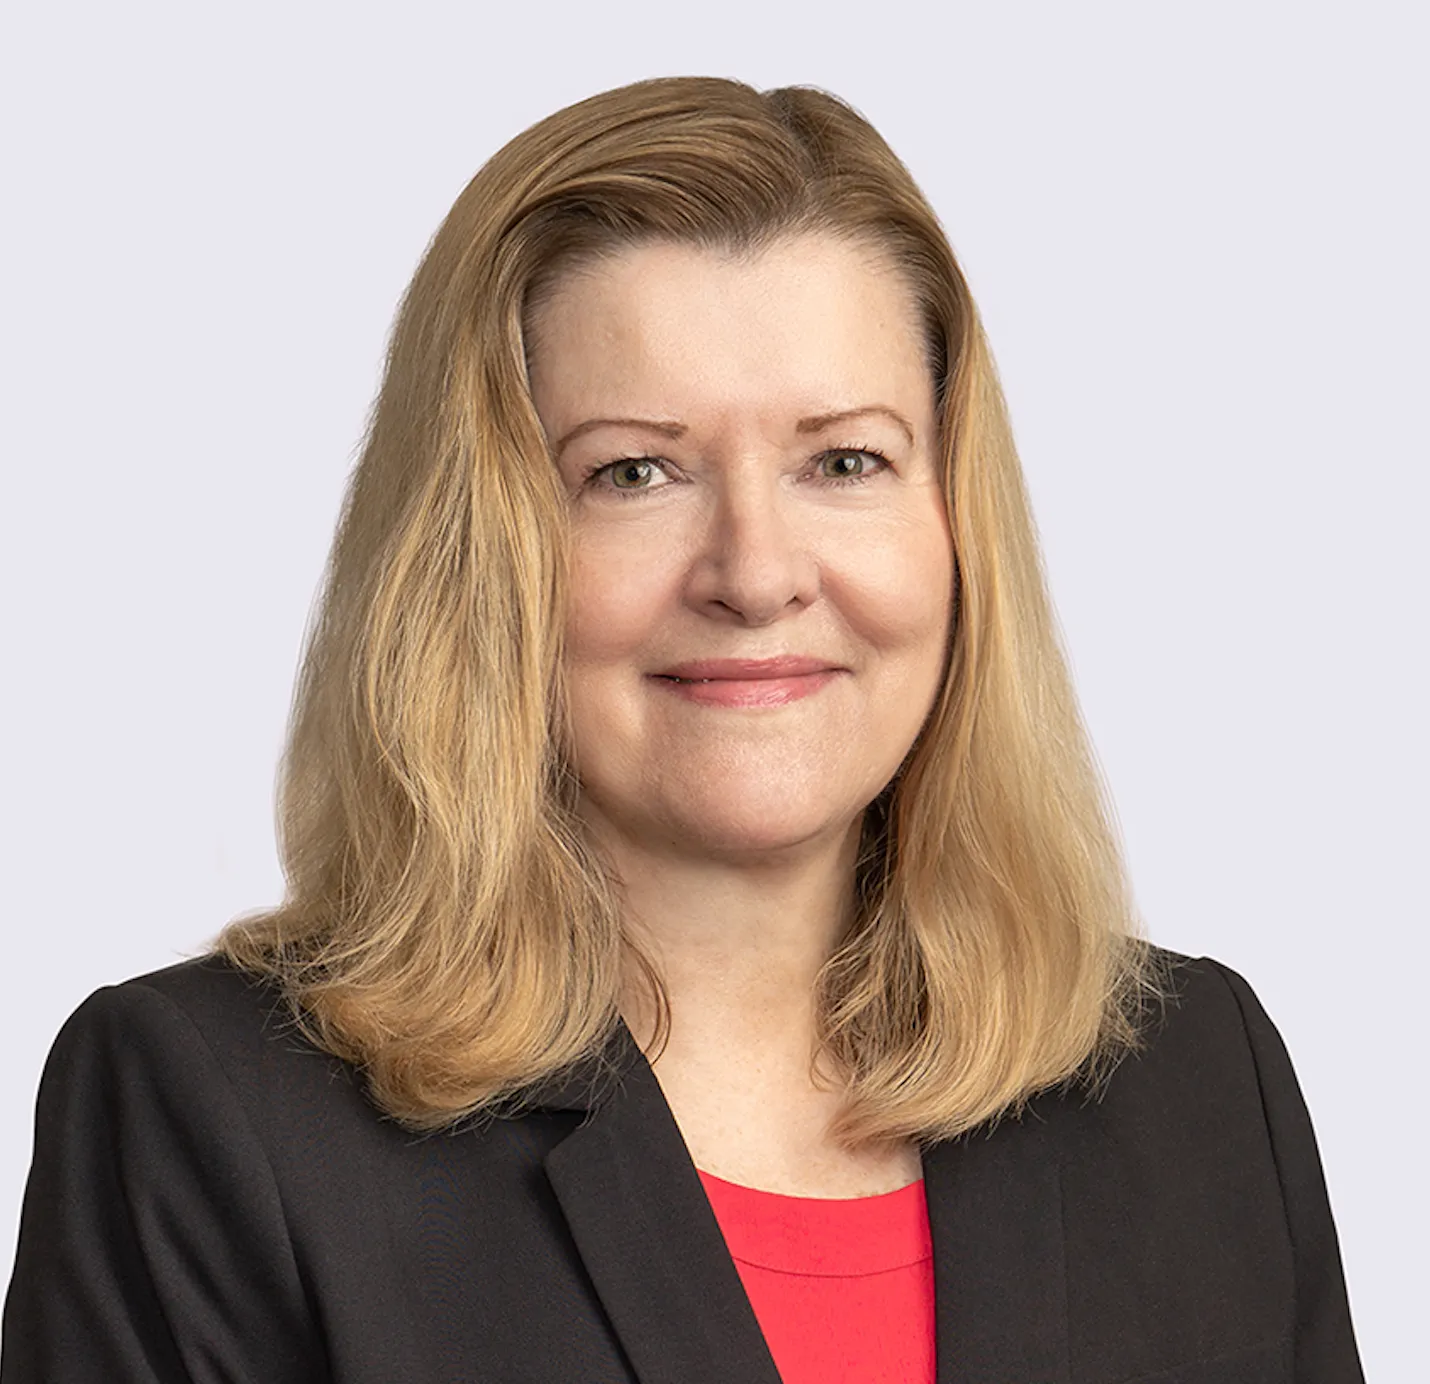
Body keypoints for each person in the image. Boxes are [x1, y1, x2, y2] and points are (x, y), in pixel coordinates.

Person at [1, 76, 1363, 1383]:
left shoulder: (1195, 1080)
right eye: (633, 471)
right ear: (479, 553)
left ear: (954, 524)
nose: (756, 572)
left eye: (844, 461)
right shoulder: (207, 1113)